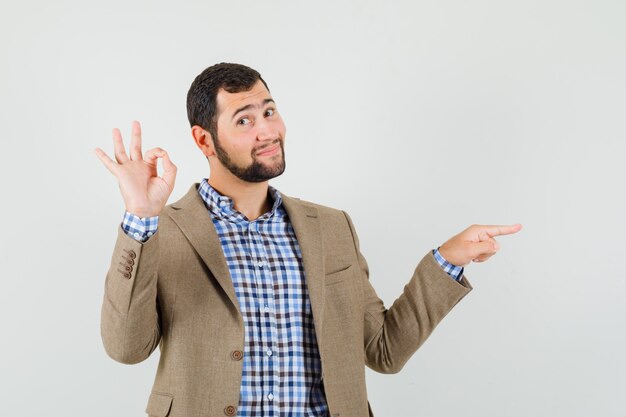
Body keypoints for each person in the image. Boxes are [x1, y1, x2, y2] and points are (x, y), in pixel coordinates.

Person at [94, 62, 521, 417]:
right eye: (244, 119)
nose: (267, 131)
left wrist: (447, 260)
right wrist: (140, 217)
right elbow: (127, 349)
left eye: (269, 111)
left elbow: (383, 349)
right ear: (204, 139)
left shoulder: (331, 228)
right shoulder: (162, 231)